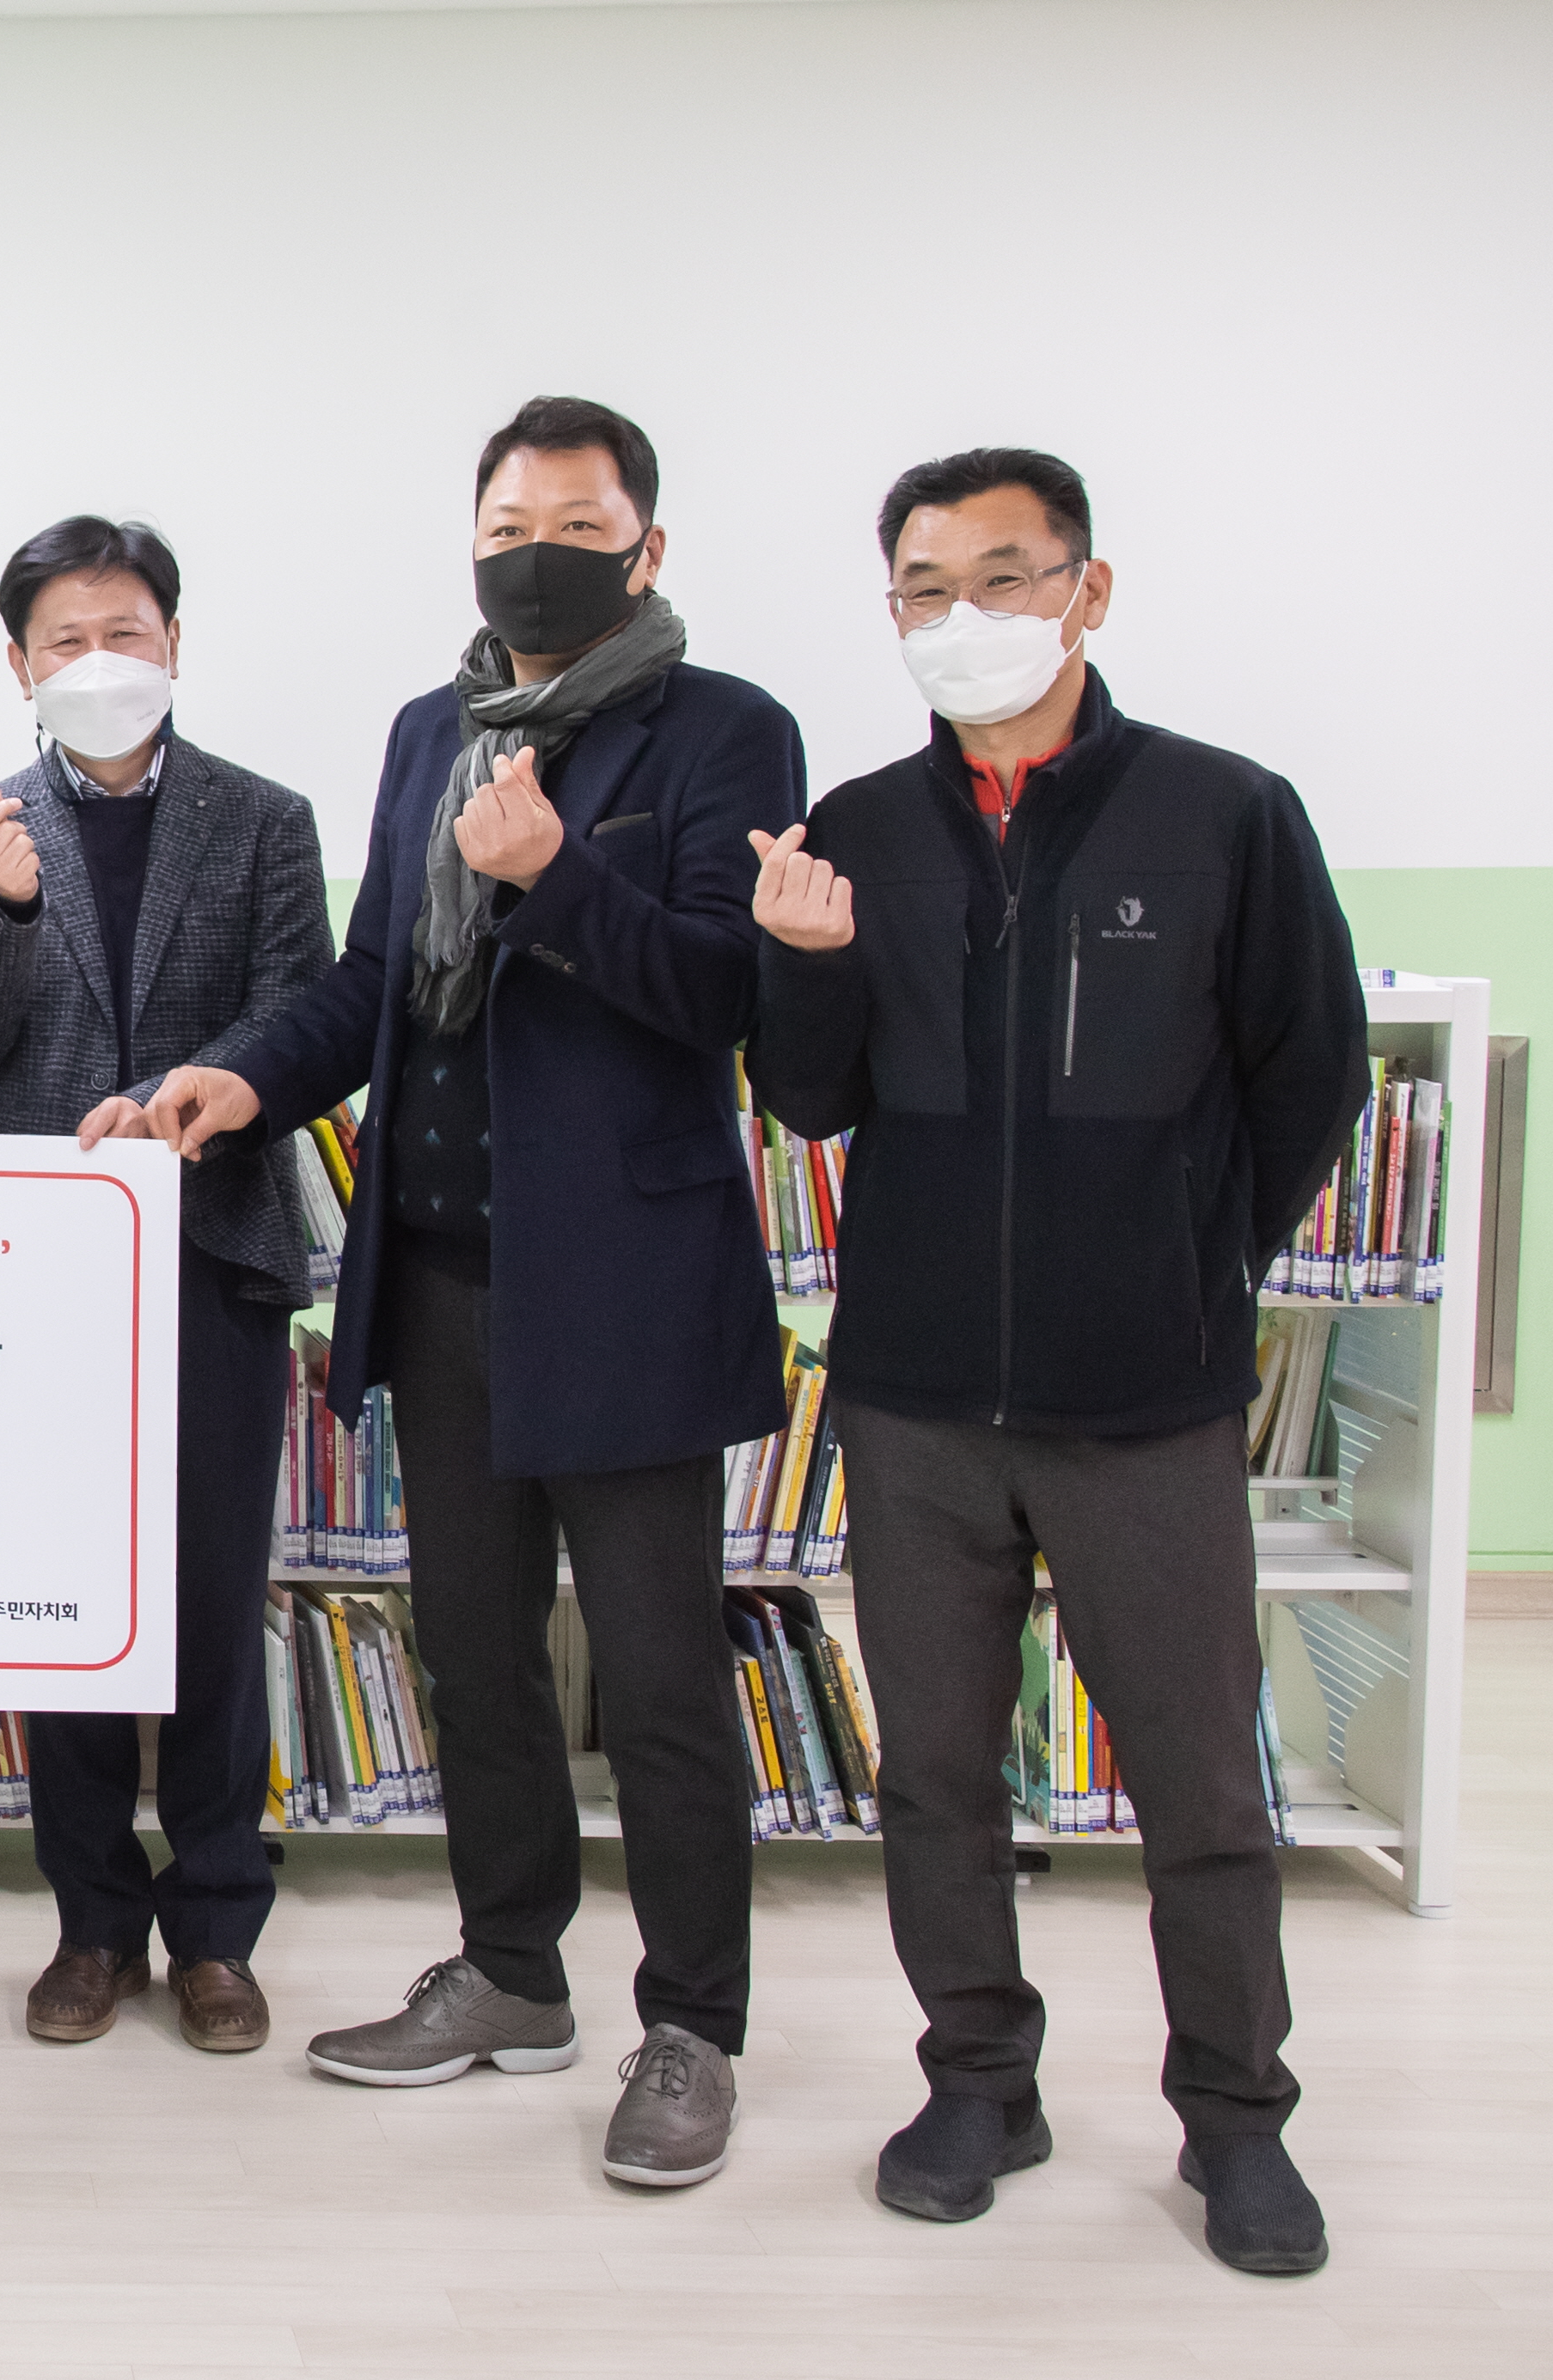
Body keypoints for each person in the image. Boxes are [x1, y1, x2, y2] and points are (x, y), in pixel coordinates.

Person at [144, 397, 803, 2188]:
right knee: (475, 1653)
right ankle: (512, 1968)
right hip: (439, 1276)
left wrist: (556, 877)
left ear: (645, 549)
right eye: (509, 523)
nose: (536, 554)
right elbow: (371, 978)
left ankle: (692, 2026)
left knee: (656, 1679)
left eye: (577, 526)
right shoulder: (430, 729)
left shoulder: (724, 729)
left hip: (625, 1284)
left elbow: (722, 991)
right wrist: (240, 1079)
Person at [744, 448, 1367, 2274]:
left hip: (1143, 1401)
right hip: (916, 1394)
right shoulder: (858, 823)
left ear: (1087, 590)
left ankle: (1235, 2118)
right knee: (935, 1772)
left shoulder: (1223, 812)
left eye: (1002, 577)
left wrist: (1193, 1263)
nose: (963, 617)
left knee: (1199, 1783)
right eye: (923, 588)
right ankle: (976, 2082)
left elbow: (1308, 1066)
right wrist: (800, 966)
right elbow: (811, 1099)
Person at [0, 516, 331, 2055]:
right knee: (63, 1602)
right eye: (66, 640)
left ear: (172, 644)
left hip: (212, 1253)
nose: (99, 662)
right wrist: (2, 908)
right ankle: (91, 1922)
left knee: (212, 1604)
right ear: (18, 662)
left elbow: (296, 1008)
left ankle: (216, 1926)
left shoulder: (264, 818)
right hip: (39, 1279)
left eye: (126, 633)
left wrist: (175, 1095)